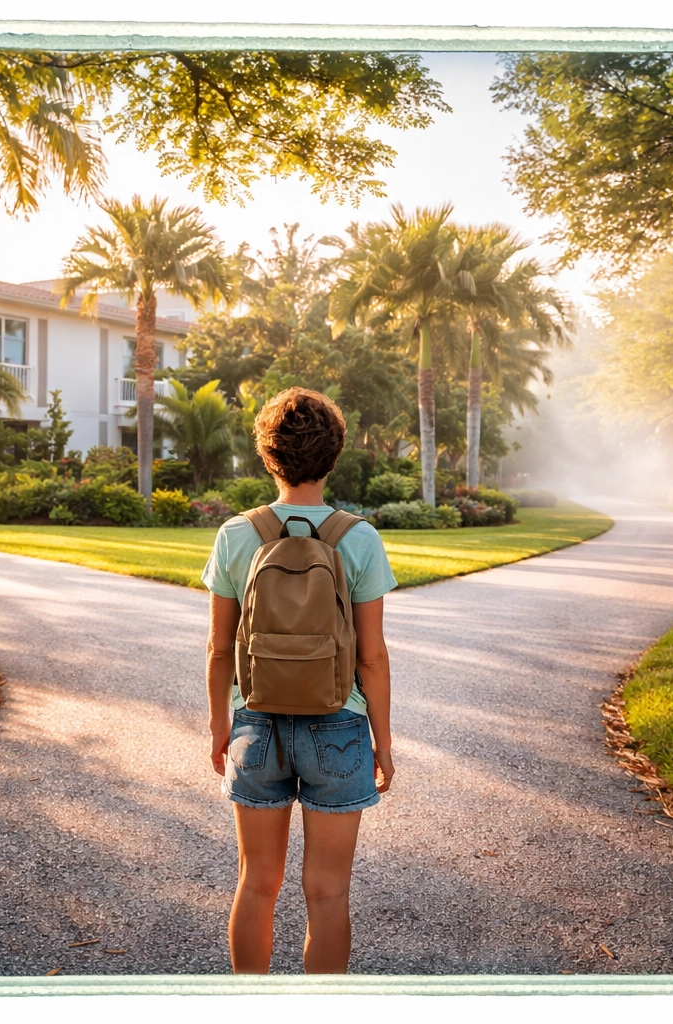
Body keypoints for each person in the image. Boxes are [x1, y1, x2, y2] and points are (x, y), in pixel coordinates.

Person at [202, 387, 396, 975]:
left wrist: (220, 725)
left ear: (268, 455)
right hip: (340, 723)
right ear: (334, 455)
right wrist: (382, 742)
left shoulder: (238, 534)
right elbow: (373, 656)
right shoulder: (357, 537)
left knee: (257, 884)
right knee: (329, 892)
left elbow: (218, 649)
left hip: (255, 722)